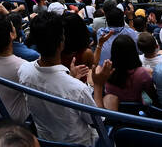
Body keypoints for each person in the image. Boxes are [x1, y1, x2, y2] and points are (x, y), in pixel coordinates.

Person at [17, 11, 112, 145]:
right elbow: (99, 121)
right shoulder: (78, 89)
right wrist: (98, 85)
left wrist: (71, 78)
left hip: (44, 139)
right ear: (62, 42)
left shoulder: (23, 70)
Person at [103, 34, 157, 108]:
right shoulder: (141, 73)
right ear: (133, 51)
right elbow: (151, 94)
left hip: (117, 110)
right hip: (137, 110)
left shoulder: (107, 70)